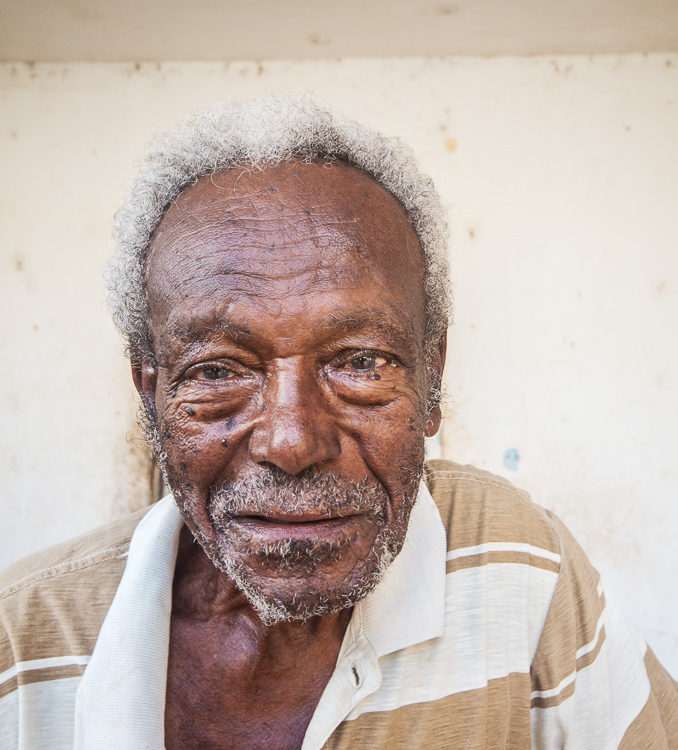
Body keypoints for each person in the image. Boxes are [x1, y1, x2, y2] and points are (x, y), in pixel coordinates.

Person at [0, 97, 676, 750]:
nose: (292, 442)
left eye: (361, 361)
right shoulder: (22, 643)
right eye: (217, 371)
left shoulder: (519, 567)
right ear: (151, 395)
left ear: (431, 378)